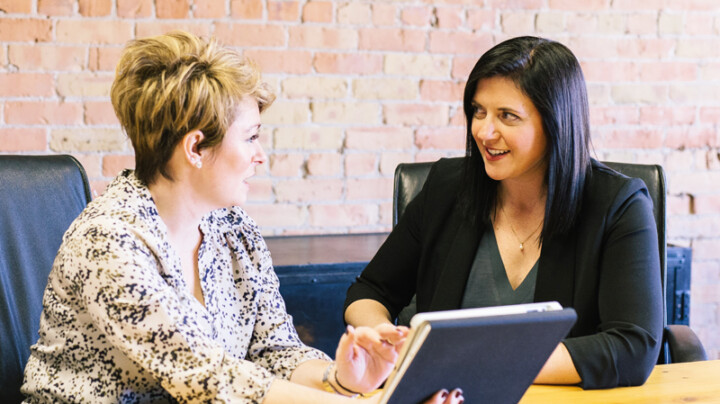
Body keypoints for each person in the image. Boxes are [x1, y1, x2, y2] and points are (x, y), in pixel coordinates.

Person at [21, 31, 463, 404]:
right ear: (195, 148)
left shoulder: (234, 230)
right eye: (250, 137)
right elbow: (207, 378)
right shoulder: (108, 241)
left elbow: (276, 351)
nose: (261, 156)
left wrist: (344, 380)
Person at [344, 36, 663, 390]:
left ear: (556, 122)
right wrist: (380, 337)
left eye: (507, 116)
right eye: (479, 111)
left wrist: (474, 362)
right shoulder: (447, 187)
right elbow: (370, 290)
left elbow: (633, 345)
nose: (484, 131)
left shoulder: (619, 204)